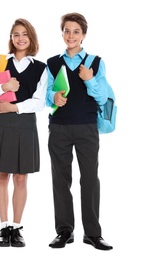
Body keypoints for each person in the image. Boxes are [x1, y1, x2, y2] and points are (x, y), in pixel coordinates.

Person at [46, 12, 114, 250]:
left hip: (86, 128)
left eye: (76, 31)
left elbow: (102, 96)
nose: (71, 35)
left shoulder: (95, 62)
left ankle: (93, 234)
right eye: (67, 31)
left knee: (90, 179)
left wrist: (89, 79)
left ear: (84, 35)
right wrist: (53, 96)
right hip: (59, 128)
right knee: (60, 180)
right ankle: (64, 231)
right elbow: (46, 96)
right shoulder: (53, 63)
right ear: (62, 33)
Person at [0, 18, 47, 247]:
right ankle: (3, 226)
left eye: (24, 34)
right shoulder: (0, 62)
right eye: (16, 34)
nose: (20, 38)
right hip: (2, 124)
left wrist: (14, 107)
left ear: (31, 38)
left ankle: (17, 228)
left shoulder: (41, 68)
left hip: (25, 124)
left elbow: (39, 102)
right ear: (11, 38)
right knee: (1, 174)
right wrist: (3, 87)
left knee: (20, 177)